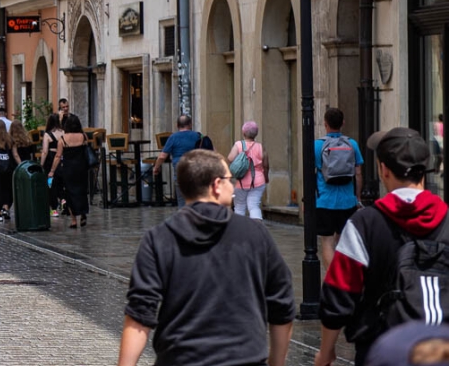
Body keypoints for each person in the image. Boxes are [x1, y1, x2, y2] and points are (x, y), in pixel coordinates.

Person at [117, 150, 294, 366]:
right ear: (216, 185)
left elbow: (139, 315)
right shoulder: (255, 235)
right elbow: (282, 306)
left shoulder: (159, 239)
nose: (234, 187)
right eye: (231, 180)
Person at [317, 127, 449, 366]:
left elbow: (339, 294)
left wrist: (326, 352)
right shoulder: (447, 218)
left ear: (384, 170)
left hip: (381, 351)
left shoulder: (364, 224)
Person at [314, 107, 364, 271]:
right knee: (342, 242)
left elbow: (311, 172)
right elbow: (357, 173)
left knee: (327, 242)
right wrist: (357, 197)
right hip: (347, 201)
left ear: (325, 124)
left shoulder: (317, 145)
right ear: (343, 123)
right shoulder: (352, 144)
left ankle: (331, 278)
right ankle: (343, 277)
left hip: (325, 201)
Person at [154, 115, 213, 207]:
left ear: (177, 125)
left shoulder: (173, 137)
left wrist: (156, 167)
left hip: (180, 167)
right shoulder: (198, 136)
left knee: (181, 197)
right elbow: (212, 152)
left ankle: (184, 217)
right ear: (190, 124)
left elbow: (162, 156)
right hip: (195, 167)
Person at [48, 113, 91, 228]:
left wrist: (52, 170)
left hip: (68, 169)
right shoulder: (84, 136)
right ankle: (82, 214)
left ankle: (73, 220)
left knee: (70, 193)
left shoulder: (62, 139)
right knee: (81, 191)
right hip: (81, 168)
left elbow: (58, 156)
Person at [226, 121, 269, 220]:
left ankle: (239, 230)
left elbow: (230, 158)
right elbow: (266, 165)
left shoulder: (238, 145)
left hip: (241, 181)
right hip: (258, 180)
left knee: (239, 207)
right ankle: (257, 228)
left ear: (243, 133)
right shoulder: (261, 147)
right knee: (254, 205)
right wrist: (266, 177)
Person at [40, 113, 67, 216]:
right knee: (61, 182)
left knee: (50, 184)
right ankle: (63, 200)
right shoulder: (64, 132)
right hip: (62, 159)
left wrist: (41, 164)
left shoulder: (47, 134)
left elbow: (45, 151)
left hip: (51, 159)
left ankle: (54, 209)